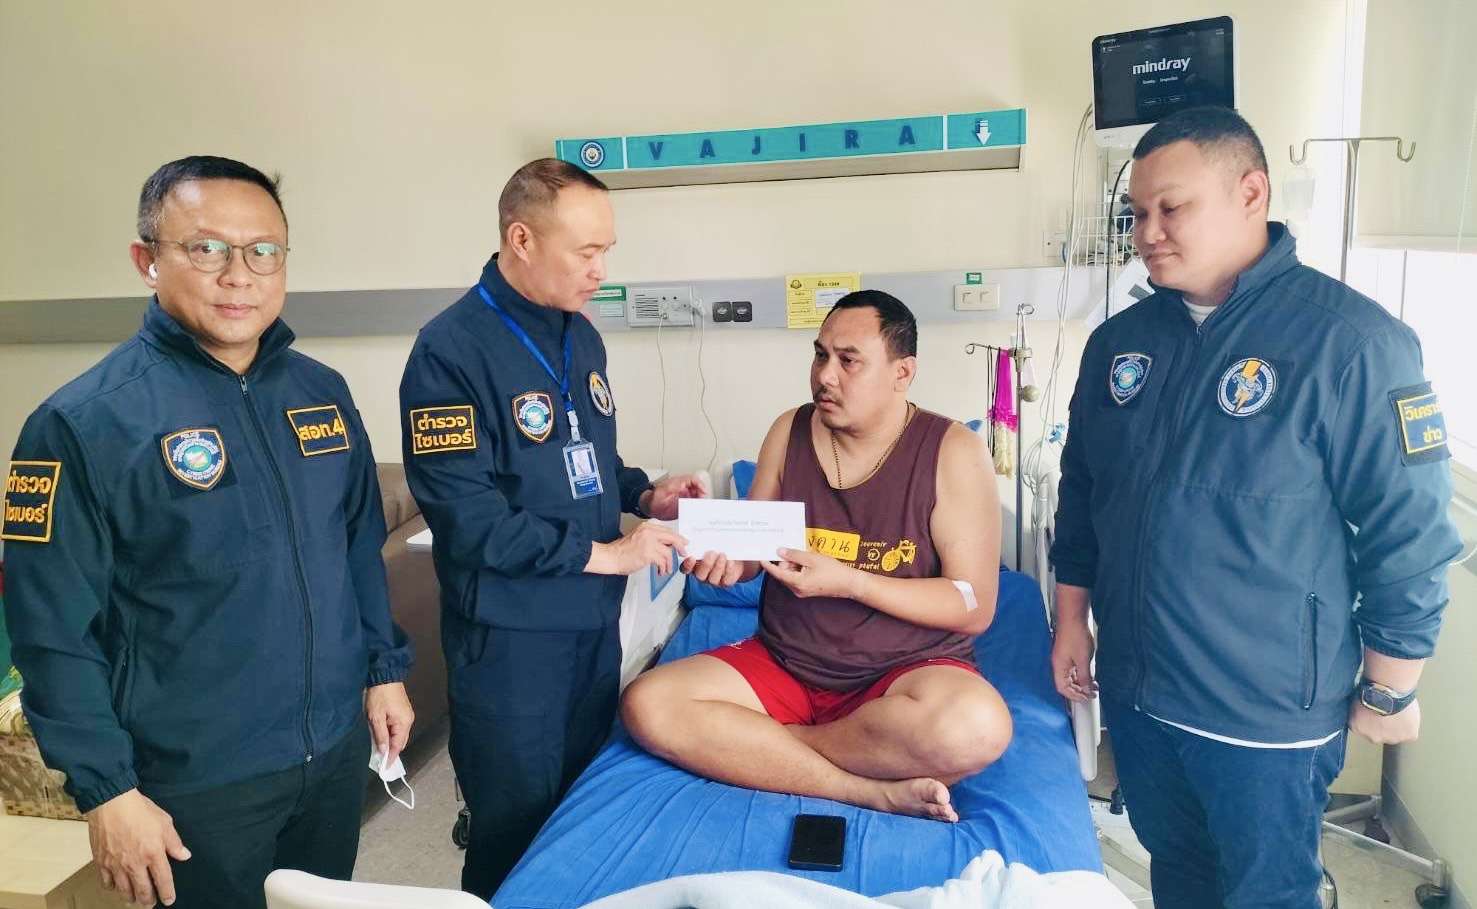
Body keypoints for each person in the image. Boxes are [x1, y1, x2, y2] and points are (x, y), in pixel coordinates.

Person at [1049, 107, 1462, 909]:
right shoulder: (1120, 344)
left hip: (1264, 714)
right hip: (1139, 691)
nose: (1147, 233)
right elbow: (1083, 490)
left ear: (1250, 193)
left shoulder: (1351, 344)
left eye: (1171, 208)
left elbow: (1407, 528)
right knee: (1179, 875)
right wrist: (1072, 619)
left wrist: (1390, 684)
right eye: (1136, 213)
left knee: (1266, 892)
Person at [1, 156, 414, 909]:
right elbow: (50, 631)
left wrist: (382, 669)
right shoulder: (80, 423)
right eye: (206, 248)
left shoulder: (320, 393)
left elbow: (355, 548)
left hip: (330, 753)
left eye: (263, 251)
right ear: (147, 261)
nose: (239, 275)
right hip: (196, 781)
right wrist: (107, 790)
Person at [398, 157, 706, 899]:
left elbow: (587, 461)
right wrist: (610, 553)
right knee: (513, 829)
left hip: (589, 628)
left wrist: (646, 494)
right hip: (512, 641)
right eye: (586, 251)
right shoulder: (449, 353)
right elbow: (470, 522)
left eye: (607, 251)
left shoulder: (580, 337)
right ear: (522, 239)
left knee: (577, 813)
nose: (602, 270)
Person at [619, 290, 1011, 822]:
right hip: (787, 663)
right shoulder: (790, 430)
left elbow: (973, 604)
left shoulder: (952, 452)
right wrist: (729, 559)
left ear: (902, 372)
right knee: (648, 704)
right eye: (821, 355)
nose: (825, 375)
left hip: (904, 673)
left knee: (977, 727)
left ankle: (767, 746)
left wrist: (852, 582)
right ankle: (862, 788)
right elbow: (755, 550)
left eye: (849, 361)